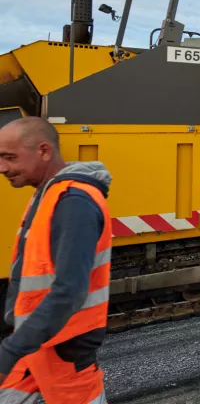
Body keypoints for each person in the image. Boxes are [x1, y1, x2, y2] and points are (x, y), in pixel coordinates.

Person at [0, 117, 112, 404]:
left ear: (44, 151)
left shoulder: (74, 201)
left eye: (10, 157)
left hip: (63, 351)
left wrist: (10, 351)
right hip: (36, 345)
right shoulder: (49, 193)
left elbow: (69, 291)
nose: (3, 168)